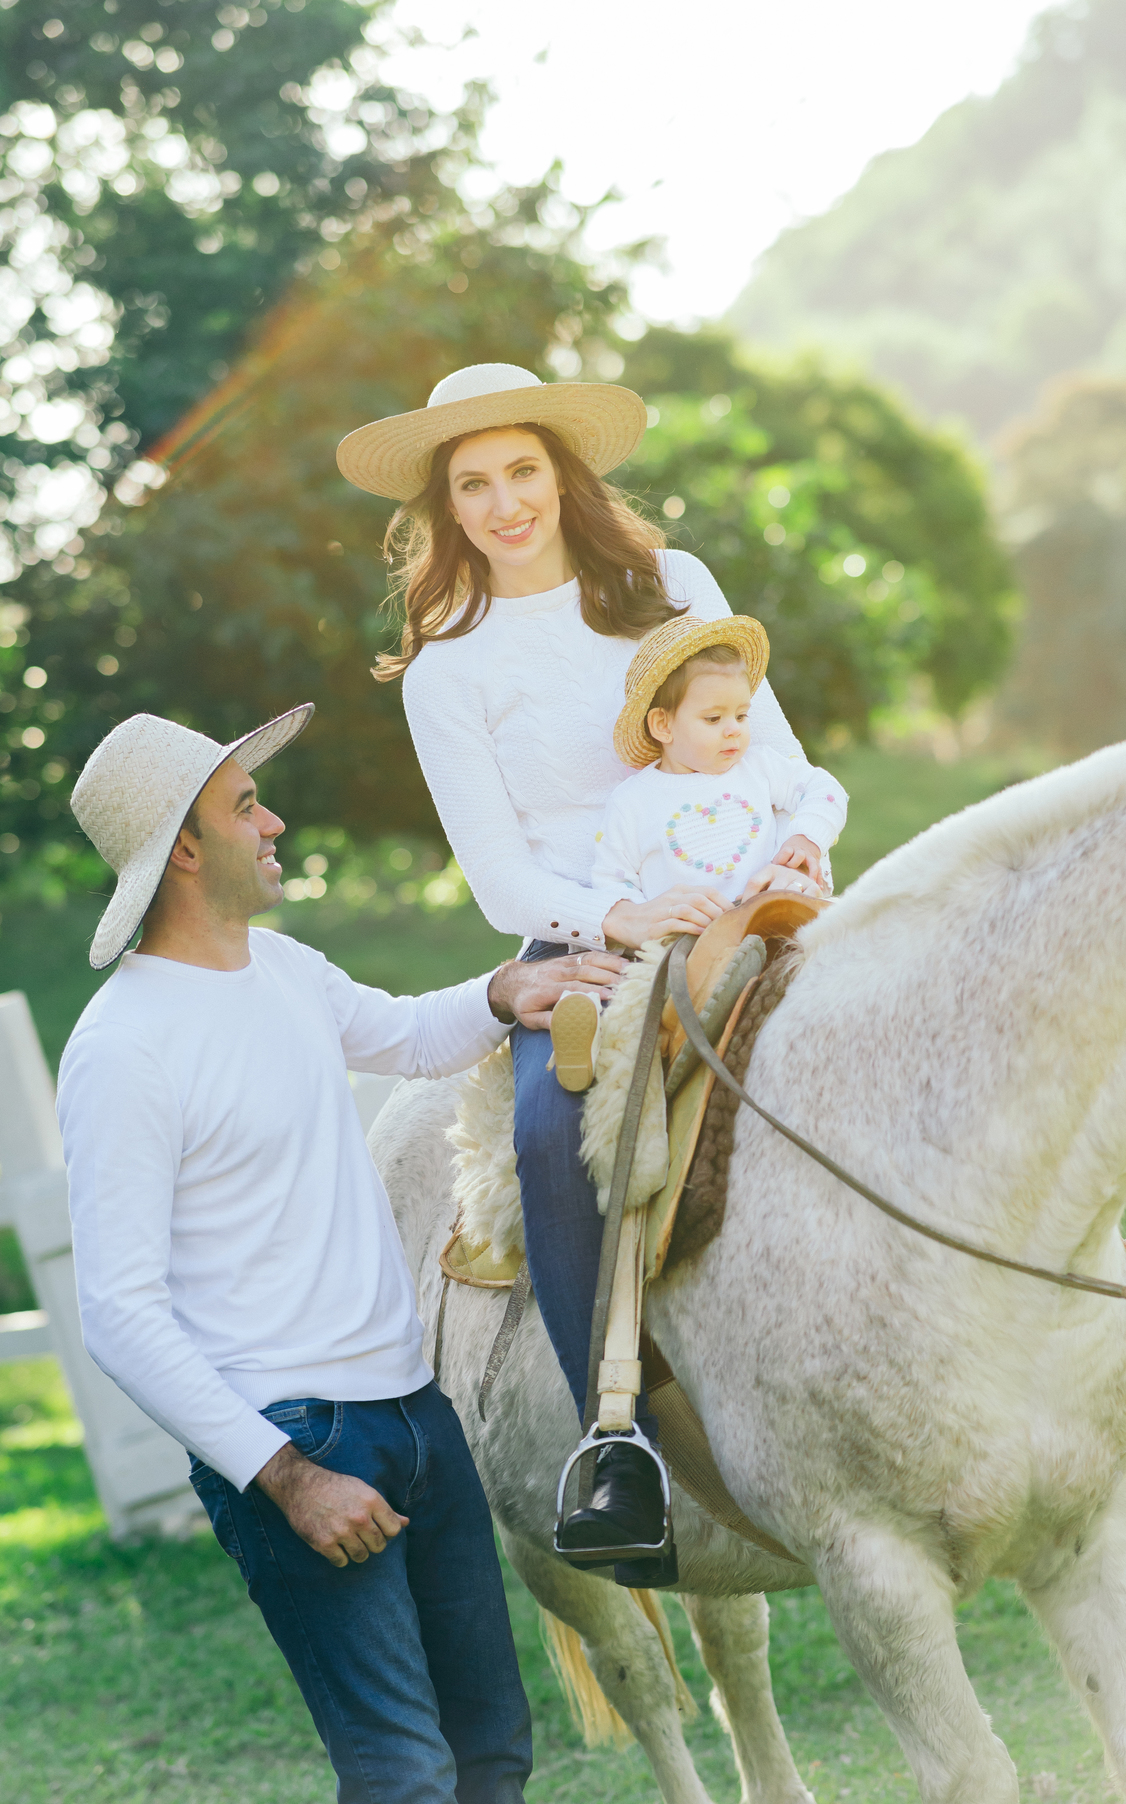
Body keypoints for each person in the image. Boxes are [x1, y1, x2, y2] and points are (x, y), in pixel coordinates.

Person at [56, 704, 621, 1804]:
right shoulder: (121, 1049)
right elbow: (118, 1311)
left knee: (493, 1748)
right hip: (294, 1441)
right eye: (245, 804)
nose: (273, 821)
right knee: (402, 1771)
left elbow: (405, 1035)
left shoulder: (281, 967)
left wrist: (508, 991)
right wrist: (288, 1478)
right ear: (183, 846)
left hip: (415, 1415)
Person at [336, 363, 844, 1583]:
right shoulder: (452, 666)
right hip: (586, 944)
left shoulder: (676, 589)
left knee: (924, 1012)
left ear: (563, 474)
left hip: (757, 899)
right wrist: (618, 914)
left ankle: (1124, 1313)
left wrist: (802, 844)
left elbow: (785, 763)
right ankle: (615, 1445)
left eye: (523, 470)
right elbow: (501, 881)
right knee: (553, 1124)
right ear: (446, 509)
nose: (506, 502)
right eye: (475, 484)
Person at [546, 612, 848, 1092]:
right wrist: (644, 916)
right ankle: (592, 1040)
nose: (734, 730)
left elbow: (824, 789)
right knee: (644, 997)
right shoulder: (635, 801)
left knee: (839, 944)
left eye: (742, 715)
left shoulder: (759, 768)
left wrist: (805, 837)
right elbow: (614, 880)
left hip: (766, 922)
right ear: (663, 725)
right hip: (686, 940)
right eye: (713, 719)